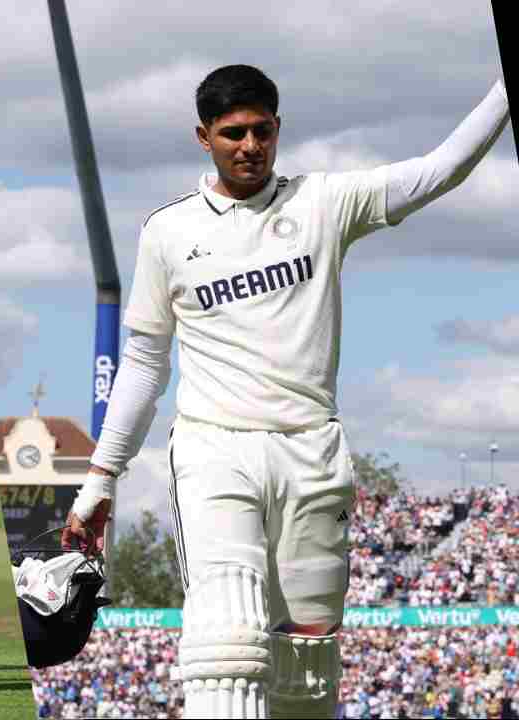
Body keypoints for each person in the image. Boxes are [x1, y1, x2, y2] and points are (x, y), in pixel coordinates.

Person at [61, 65, 510, 719]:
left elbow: (441, 169)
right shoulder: (169, 232)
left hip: (313, 451)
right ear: (203, 137)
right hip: (216, 449)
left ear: (278, 129)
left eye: (262, 131)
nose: (249, 146)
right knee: (228, 644)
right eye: (233, 133)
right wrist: (100, 478)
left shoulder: (323, 203)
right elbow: (144, 363)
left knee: (306, 674)